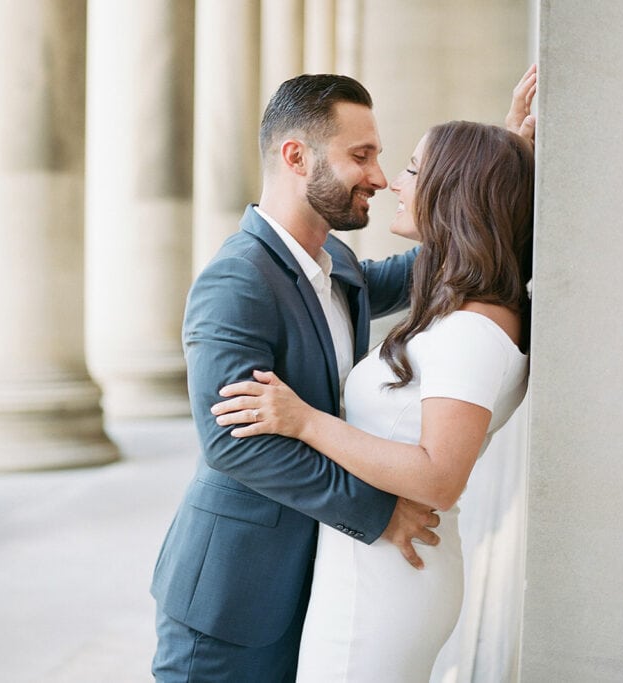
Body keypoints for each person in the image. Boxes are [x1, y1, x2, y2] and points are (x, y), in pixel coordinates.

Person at [211, 119, 535, 680]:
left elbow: (440, 476)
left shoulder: (469, 333)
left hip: (386, 579)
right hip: (375, 569)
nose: (393, 182)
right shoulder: (464, 307)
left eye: (411, 168)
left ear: (452, 191)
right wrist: (507, 155)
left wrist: (305, 421)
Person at [150, 74, 437, 682]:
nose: (381, 178)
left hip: (306, 586)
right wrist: (377, 510)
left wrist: (512, 158)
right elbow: (234, 444)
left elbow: (429, 267)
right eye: (362, 156)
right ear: (296, 157)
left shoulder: (338, 265)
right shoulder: (236, 281)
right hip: (231, 600)